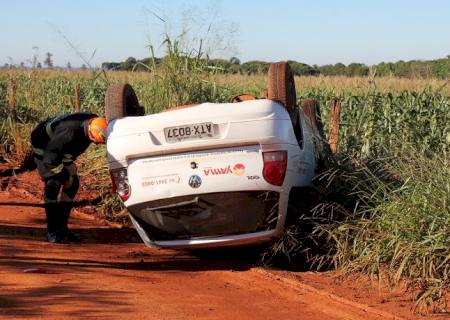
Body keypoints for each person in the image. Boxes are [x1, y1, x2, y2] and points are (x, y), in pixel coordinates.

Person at [31, 112, 108, 243]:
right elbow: (50, 158)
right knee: (53, 183)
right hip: (44, 146)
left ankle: (63, 229)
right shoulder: (70, 133)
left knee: (73, 184)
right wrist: (63, 175)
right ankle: (52, 231)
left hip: (59, 148)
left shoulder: (93, 122)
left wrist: (69, 176)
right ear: (91, 134)